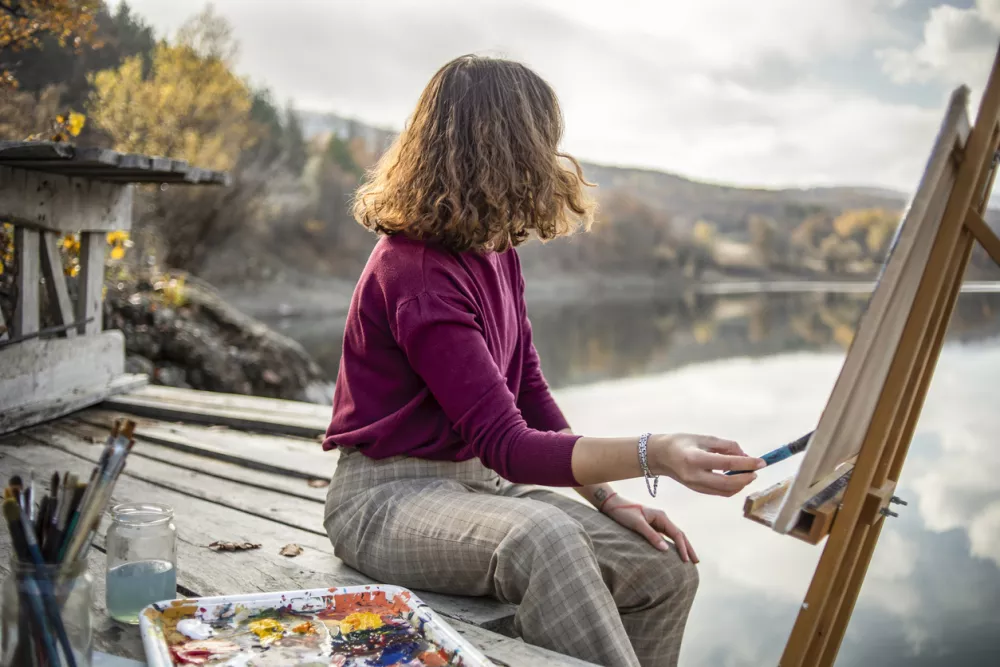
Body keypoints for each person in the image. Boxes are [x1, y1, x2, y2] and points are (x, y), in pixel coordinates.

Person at [321, 54, 765, 667]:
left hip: (482, 494)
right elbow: (508, 444)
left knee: (661, 568)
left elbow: (529, 394)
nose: (553, 159)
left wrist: (610, 500)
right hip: (384, 502)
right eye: (543, 141)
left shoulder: (494, 251)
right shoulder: (416, 272)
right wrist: (655, 451)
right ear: (505, 147)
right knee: (544, 538)